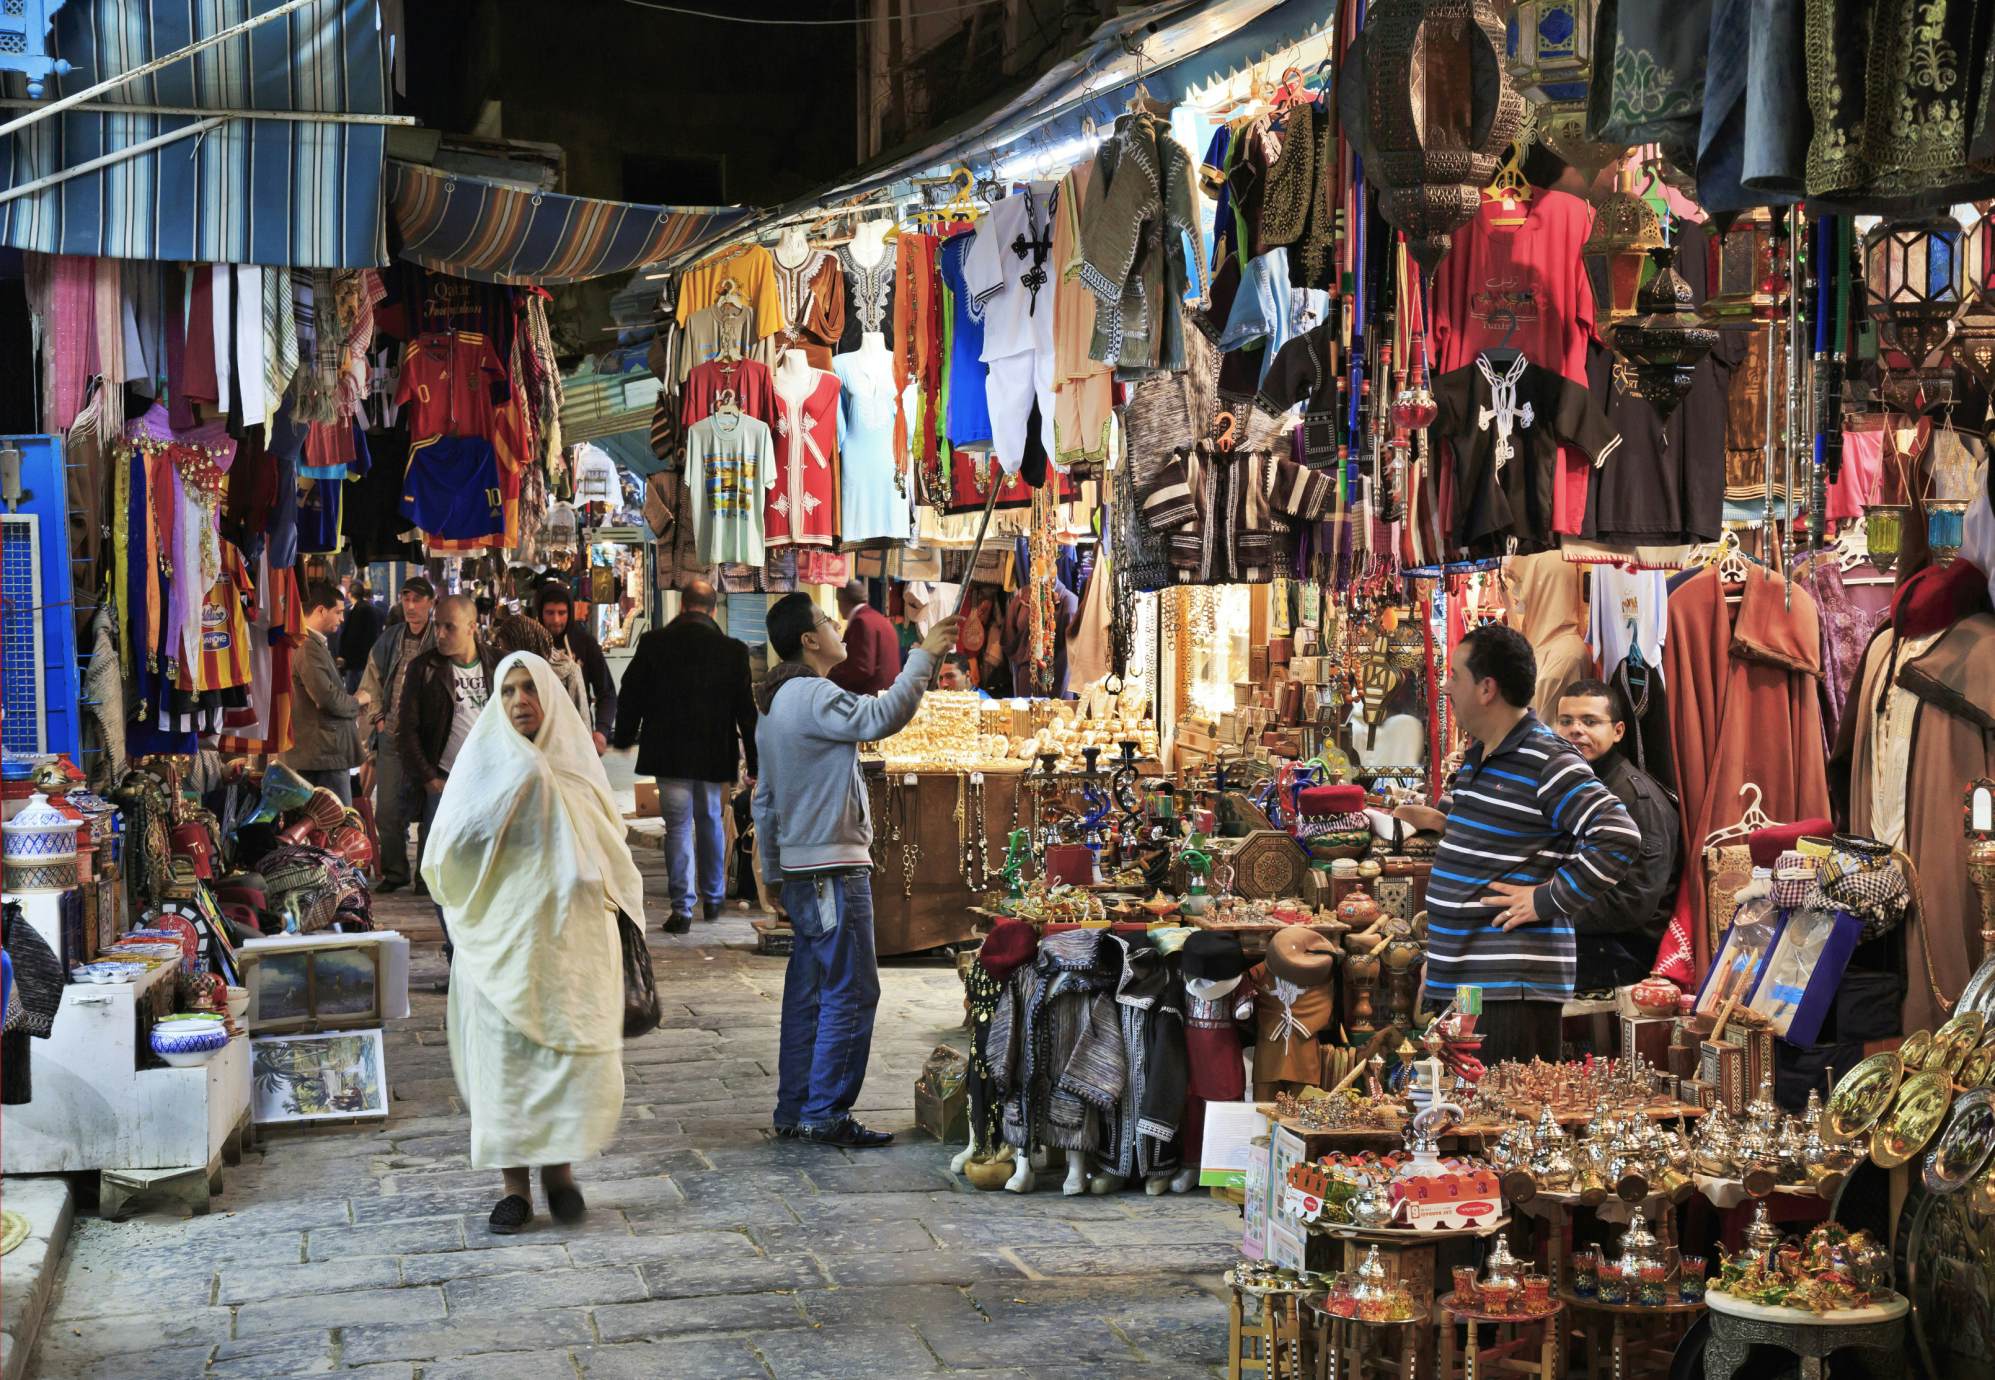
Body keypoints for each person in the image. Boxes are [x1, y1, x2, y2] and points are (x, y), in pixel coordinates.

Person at [421, 652, 641, 1235]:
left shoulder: (576, 771)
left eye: (530, 689)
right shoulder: (482, 769)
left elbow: (609, 851)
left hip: (567, 950)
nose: (521, 700)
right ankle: (514, 1190)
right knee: (506, 1070)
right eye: (509, 690)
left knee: (559, 1064)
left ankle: (560, 1175)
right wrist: (510, 798)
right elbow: (447, 852)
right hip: (500, 948)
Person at [753, 593, 961, 1146]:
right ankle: (825, 1112)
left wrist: (772, 869)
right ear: (809, 640)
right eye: (826, 620)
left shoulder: (773, 705)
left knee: (811, 990)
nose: (837, 626)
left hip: (804, 868)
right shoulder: (813, 694)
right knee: (849, 990)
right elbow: (881, 716)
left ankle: (796, 1108)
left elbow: (766, 800)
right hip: (830, 867)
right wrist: (924, 656)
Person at [1393, 623, 1639, 1065]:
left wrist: (1547, 899)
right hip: (1470, 980)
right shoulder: (1481, 755)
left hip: (1511, 988)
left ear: (1487, 688)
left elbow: (1618, 835)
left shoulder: (1548, 759)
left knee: (1503, 1115)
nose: (1446, 686)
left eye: (1455, 675)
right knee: (1468, 1109)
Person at [611, 579, 758, 933]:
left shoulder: (654, 644)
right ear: (712, 609)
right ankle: (714, 896)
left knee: (677, 825)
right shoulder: (733, 650)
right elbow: (746, 712)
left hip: (669, 750)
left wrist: (626, 735)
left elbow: (631, 692)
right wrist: (755, 762)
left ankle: (683, 908)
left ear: (682, 606)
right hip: (712, 751)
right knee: (709, 816)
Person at [1554, 678, 1681, 993]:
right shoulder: (1575, 785)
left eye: (1590, 721)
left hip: (1623, 951)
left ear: (1618, 731)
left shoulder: (1637, 799)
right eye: (1566, 721)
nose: (1575, 730)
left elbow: (1633, 900)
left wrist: (1547, 910)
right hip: (1582, 934)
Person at [400, 595, 500, 958]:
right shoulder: (423, 668)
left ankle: (485, 952)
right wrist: (429, 780)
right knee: (441, 872)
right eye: (437, 625)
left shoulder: (498, 664)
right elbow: (406, 731)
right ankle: (457, 952)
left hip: (492, 786)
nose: (439, 634)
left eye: (449, 626)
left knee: (489, 871)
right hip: (444, 785)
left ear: (473, 627)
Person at [359, 576, 437, 891]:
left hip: (430, 740)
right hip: (392, 735)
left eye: (418, 600)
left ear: (431, 603)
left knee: (432, 811)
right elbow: (372, 678)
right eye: (406, 600)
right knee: (387, 811)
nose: (411, 606)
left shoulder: (439, 638)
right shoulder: (391, 638)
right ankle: (395, 871)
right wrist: (379, 717)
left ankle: (425, 876)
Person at [286, 581, 371, 804]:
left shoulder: (313, 644)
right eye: (338, 612)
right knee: (336, 823)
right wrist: (356, 701)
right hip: (322, 755)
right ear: (321, 610)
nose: (342, 619)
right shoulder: (307, 646)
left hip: (324, 753)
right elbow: (327, 698)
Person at [534, 583, 617, 753]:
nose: (556, 620)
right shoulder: (530, 646)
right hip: (539, 741)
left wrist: (601, 731)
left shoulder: (586, 644)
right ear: (540, 613)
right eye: (550, 613)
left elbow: (607, 692)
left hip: (579, 738)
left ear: (570, 613)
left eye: (562, 613)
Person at [491, 612, 588, 720]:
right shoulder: (511, 674)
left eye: (510, 651)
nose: (508, 657)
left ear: (525, 645)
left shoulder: (567, 670)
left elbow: (582, 719)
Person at [827, 580, 900, 694]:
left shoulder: (861, 622)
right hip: (888, 694)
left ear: (843, 601)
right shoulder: (879, 619)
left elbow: (861, 669)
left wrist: (827, 678)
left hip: (871, 697)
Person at [337, 582, 384, 693]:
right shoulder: (371, 609)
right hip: (366, 660)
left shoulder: (358, 610)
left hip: (356, 663)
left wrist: (343, 656)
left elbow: (352, 638)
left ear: (349, 595)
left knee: (354, 694)